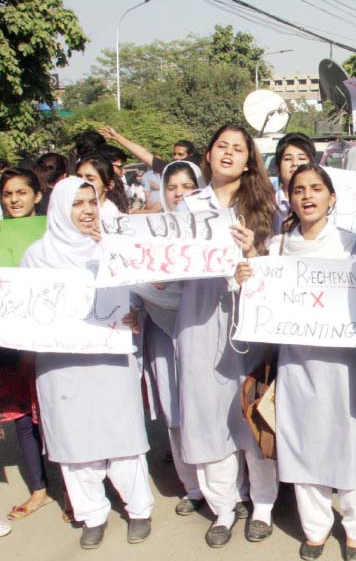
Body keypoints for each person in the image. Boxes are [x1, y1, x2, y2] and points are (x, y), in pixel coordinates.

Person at [236, 163, 356, 561]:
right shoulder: (279, 248)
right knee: (304, 442)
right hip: (297, 366)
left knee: (351, 442)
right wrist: (250, 274)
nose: (307, 195)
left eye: (316, 188)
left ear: (332, 198)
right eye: (299, 189)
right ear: (290, 198)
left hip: (346, 365)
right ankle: (315, 528)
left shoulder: (353, 244)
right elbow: (262, 304)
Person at [20, 178, 153, 549]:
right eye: (77, 203)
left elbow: (139, 292)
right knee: (75, 438)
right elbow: (28, 310)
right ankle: (92, 513)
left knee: (122, 435)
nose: (87, 211)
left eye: (91, 202)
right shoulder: (37, 255)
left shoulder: (110, 249)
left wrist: (134, 315)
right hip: (62, 365)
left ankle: (139, 509)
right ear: (61, 208)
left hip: (109, 358)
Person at [175, 124, 279, 548]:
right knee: (207, 413)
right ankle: (223, 505)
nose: (229, 153)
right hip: (199, 320)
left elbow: (280, 269)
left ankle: (264, 504)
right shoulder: (185, 206)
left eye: (239, 148)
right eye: (223, 146)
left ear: (249, 159)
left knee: (251, 412)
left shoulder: (264, 206)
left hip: (248, 323)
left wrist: (254, 253)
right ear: (209, 153)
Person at [133, 160, 205, 517]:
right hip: (163, 330)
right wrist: (147, 286)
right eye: (173, 186)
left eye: (187, 186)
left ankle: (227, 487)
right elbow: (130, 274)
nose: (179, 193)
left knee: (209, 404)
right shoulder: (147, 231)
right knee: (176, 408)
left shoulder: (213, 228)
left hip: (204, 326)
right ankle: (192, 486)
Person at [0, 169, 53, 523]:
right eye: (7, 194)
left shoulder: (56, 232)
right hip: (9, 339)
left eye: (21, 192)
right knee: (21, 417)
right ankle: (40, 488)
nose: (14, 199)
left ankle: (81, 488)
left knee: (56, 414)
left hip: (53, 337)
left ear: (37, 195)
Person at [273, 132, 316, 226]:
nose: (295, 163)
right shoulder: (267, 203)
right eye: (288, 159)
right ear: (277, 167)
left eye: (301, 158)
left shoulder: (321, 201)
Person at [75, 151, 128, 215]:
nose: (81, 183)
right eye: (79, 177)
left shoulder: (115, 220)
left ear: (109, 185)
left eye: (90, 179)